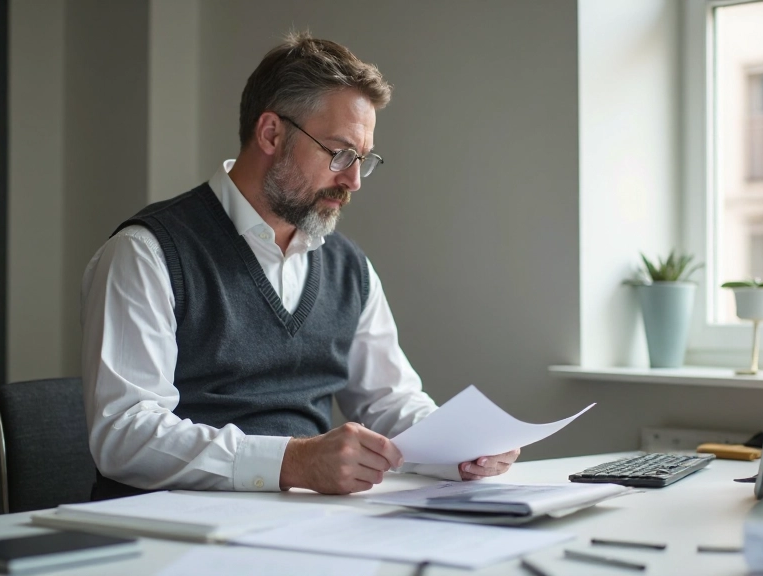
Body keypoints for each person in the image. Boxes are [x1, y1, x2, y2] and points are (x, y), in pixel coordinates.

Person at [80, 32, 520, 499]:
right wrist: (293, 462)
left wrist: (460, 448)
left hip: (305, 528)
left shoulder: (349, 269)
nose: (352, 180)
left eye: (363, 160)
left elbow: (389, 402)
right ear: (271, 133)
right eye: (339, 153)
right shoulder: (147, 253)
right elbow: (125, 436)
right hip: (170, 539)